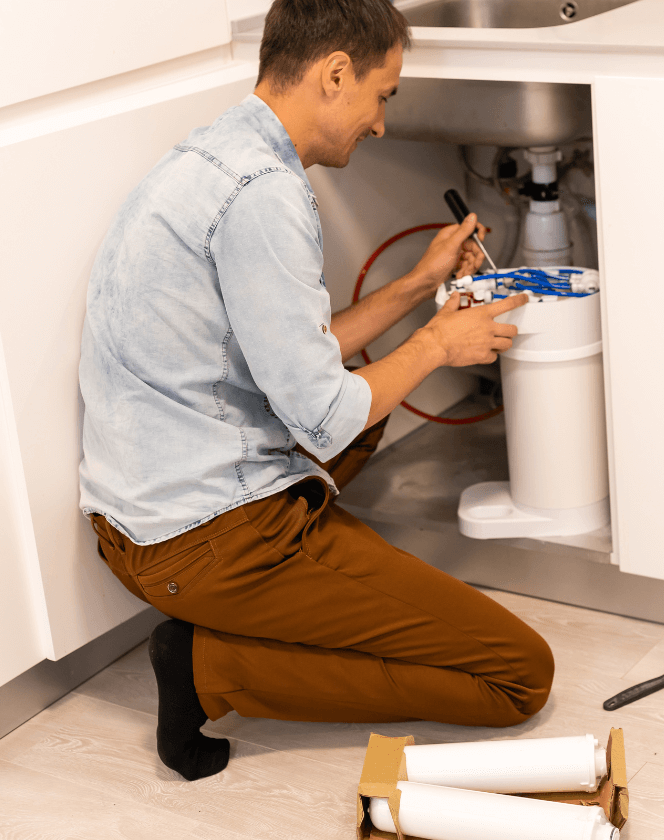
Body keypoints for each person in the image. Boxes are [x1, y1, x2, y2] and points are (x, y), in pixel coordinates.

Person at [79, 0, 554, 782]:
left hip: (147, 517)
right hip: (205, 540)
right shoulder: (262, 193)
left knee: (358, 402)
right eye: (383, 95)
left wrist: (416, 286)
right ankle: (208, 666)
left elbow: (293, 355)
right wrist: (440, 343)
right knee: (518, 674)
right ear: (336, 73)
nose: (380, 124)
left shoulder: (217, 155)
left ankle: (256, 610)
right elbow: (325, 416)